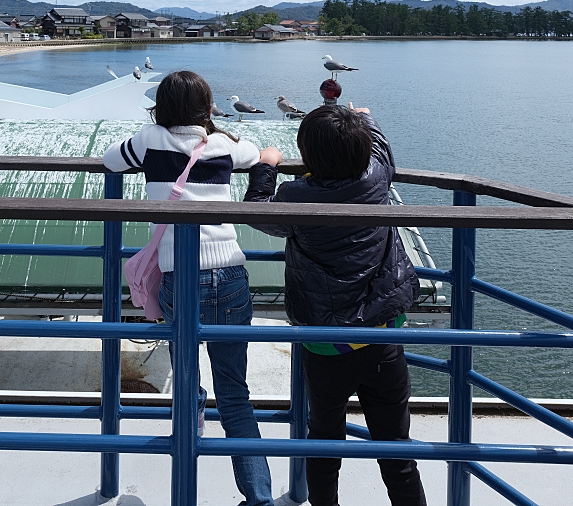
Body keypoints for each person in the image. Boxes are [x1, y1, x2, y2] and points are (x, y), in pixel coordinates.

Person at [103, 70, 275, 506]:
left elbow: (109, 160)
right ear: (207, 106)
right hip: (231, 273)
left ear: (161, 105)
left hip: (181, 278)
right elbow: (259, 155)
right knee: (236, 395)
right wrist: (270, 160)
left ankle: (192, 411)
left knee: (185, 373)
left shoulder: (149, 139)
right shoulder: (223, 145)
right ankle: (260, 498)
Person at [246, 105, 427, 506]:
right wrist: (365, 117)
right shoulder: (376, 178)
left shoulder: (296, 198)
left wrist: (266, 165)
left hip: (327, 343)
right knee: (396, 448)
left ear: (308, 155)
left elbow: (257, 209)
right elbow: (382, 149)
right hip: (380, 335)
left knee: (324, 439)